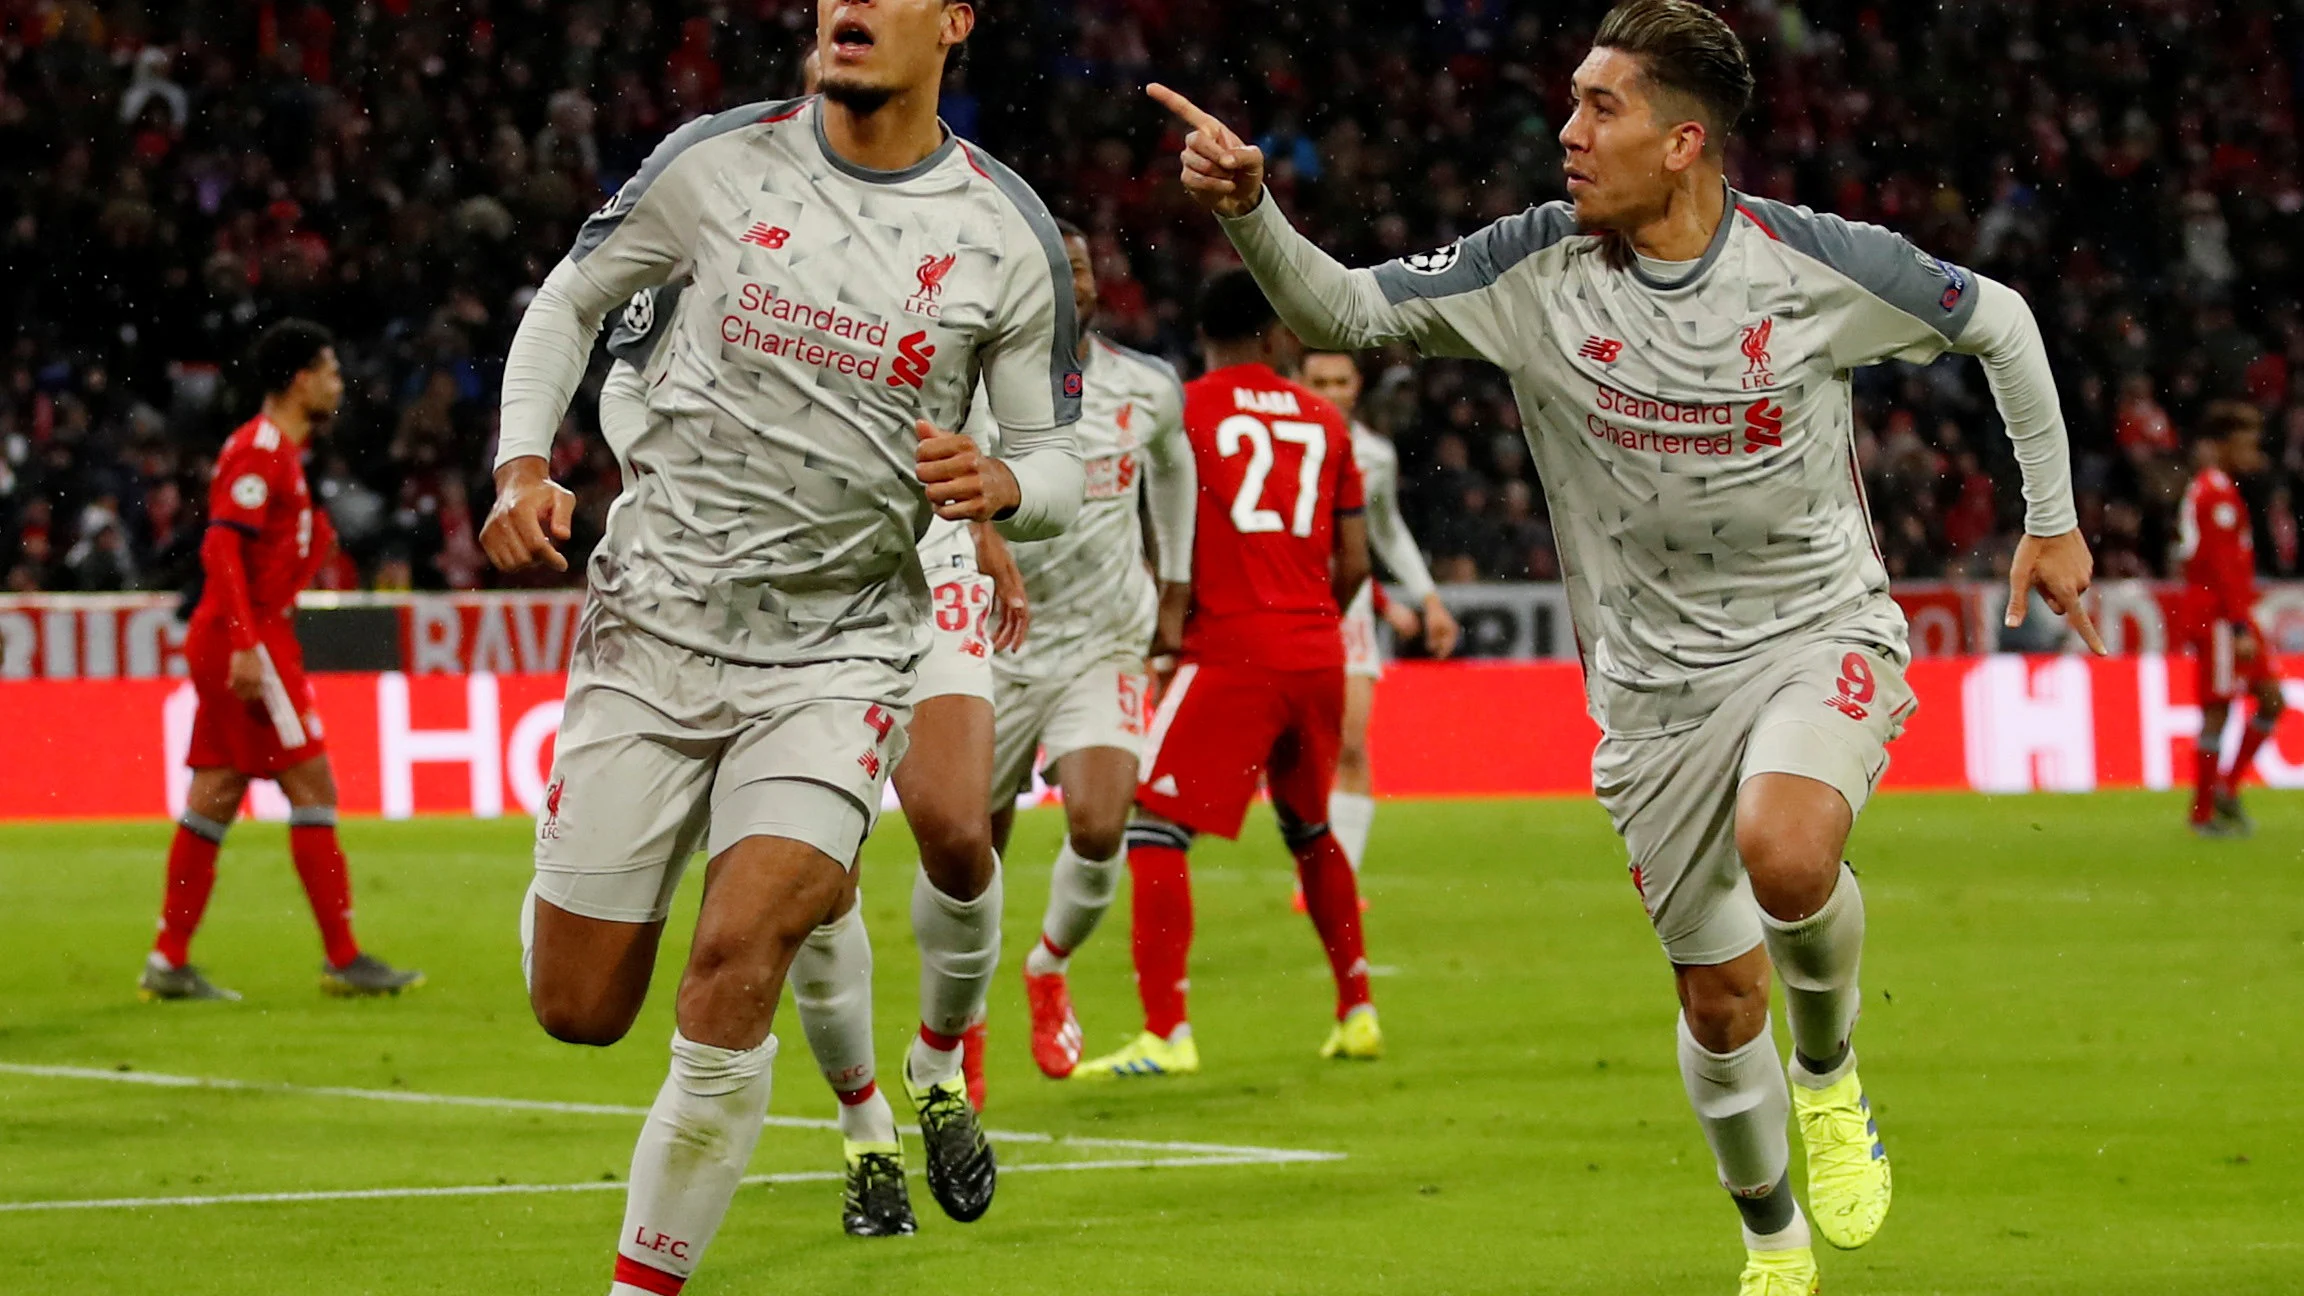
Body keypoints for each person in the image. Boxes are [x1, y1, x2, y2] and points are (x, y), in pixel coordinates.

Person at [1151, 0, 2103, 1289]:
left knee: (1788, 846)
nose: (1568, 132)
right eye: (1572, 102)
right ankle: (1772, 1241)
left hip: (1815, 627)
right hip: (1650, 693)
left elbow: (1999, 317)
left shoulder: (1815, 263)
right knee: (1717, 1003)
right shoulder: (1530, 267)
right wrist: (1249, 207)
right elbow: (1348, 311)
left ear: (1685, 142)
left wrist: (2051, 524)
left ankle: (1828, 1073)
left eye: (1603, 107)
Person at [481, 0, 1084, 1287]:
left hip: (841, 651)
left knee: (736, 955)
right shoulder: (716, 163)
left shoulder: (1006, 233)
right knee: (578, 1009)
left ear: (953, 23)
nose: (845, 6)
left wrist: (1005, 485)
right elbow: (569, 300)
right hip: (654, 626)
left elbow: (1057, 459)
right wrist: (521, 464)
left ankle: (656, 1275)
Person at [598, 271, 1029, 1237]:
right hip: (774, 581)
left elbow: (982, 400)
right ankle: (864, 1126)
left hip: (926, 551)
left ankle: (941, 1065)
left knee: (959, 831)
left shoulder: (956, 227)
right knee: (816, 879)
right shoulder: (717, 225)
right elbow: (625, 377)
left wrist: (990, 522)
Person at [1071, 269, 1377, 1079]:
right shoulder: (1324, 418)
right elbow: (1356, 561)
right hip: (1318, 649)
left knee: (1153, 825)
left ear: (1200, 334)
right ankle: (1357, 1010)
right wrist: (1310, 613)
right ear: (1274, 336)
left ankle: (1165, 1030)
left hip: (1232, 648)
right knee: (1311, 829)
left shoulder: (1186, 408)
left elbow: (1147, 516)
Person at [141, 319, 423, 1004]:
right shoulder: (260, 452)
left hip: (247, 636)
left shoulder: (279, 455)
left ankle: (168, 960)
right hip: (251, 642)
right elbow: (220, 550)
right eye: (328, 371)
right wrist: (244, 641)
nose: (337, 383)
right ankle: (344, 957)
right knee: (314, 789)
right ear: (299, 381)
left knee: (215, 795)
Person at [992, 219, 1197, 1080]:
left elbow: (1175, 466)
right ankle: (955, 1024)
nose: (1069, 279)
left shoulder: (1147, 386)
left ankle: (1047, 967)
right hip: (995, 638)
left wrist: (1177, 583)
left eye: (1078, 267)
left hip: (1104, 637)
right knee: (966, 849)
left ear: (1094, 286)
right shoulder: (978, 384)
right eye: (1053, 266)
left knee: (1101, 823)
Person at [1298, 349, 1461, 896]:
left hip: (1348, 614)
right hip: (1282, 605)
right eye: (1319, 380)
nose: (1330, 390)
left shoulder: (1374, 454)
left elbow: (1386, 532)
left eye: (1340, 380)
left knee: (1349, 745)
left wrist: (1428, 598)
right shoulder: (1278, 439)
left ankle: (1334, 880)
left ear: (1356, 385)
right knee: (1290, 749)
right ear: (1301, 381)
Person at [2176, 401, 2286, 836]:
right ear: (2221, 446)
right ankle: (2203, 812)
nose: (2252, 452)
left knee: (2271, 700)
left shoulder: (2217, 488)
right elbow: (2220, 567)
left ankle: (2226, 788)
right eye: (2245, 443)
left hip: (2233, 616)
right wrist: (2238, 626)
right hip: (2220, 619)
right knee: (2218, 712)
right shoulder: (2215, 492)